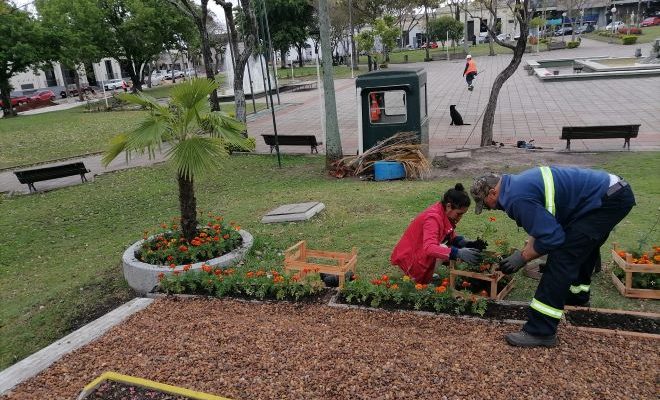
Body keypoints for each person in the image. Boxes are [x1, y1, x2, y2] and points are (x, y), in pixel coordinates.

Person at [470, 166, 635, 347]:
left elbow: (553, 239)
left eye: (485, 204)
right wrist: (525, 250)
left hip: (606, 201)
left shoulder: (516, 198)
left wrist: (523, 257)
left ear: (493, 193)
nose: (489, 209)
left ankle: (540, 331)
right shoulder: (516, 185)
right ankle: (577, 296)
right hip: (610, 194)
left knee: (562, 257)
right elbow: (543, 224)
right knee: (581, 246)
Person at [391, 183, 484, 284]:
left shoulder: (442, 211)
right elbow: (429, 248)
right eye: (459, 213)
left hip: (417, 250)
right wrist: (458, 253)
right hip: (409, 260)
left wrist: (467, 243)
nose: (460, 218)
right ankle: (414, 278)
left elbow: (449, 235)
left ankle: (426, 275)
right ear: (449, 206)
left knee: (445, 247)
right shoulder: (433, 218)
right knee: (443, 249)